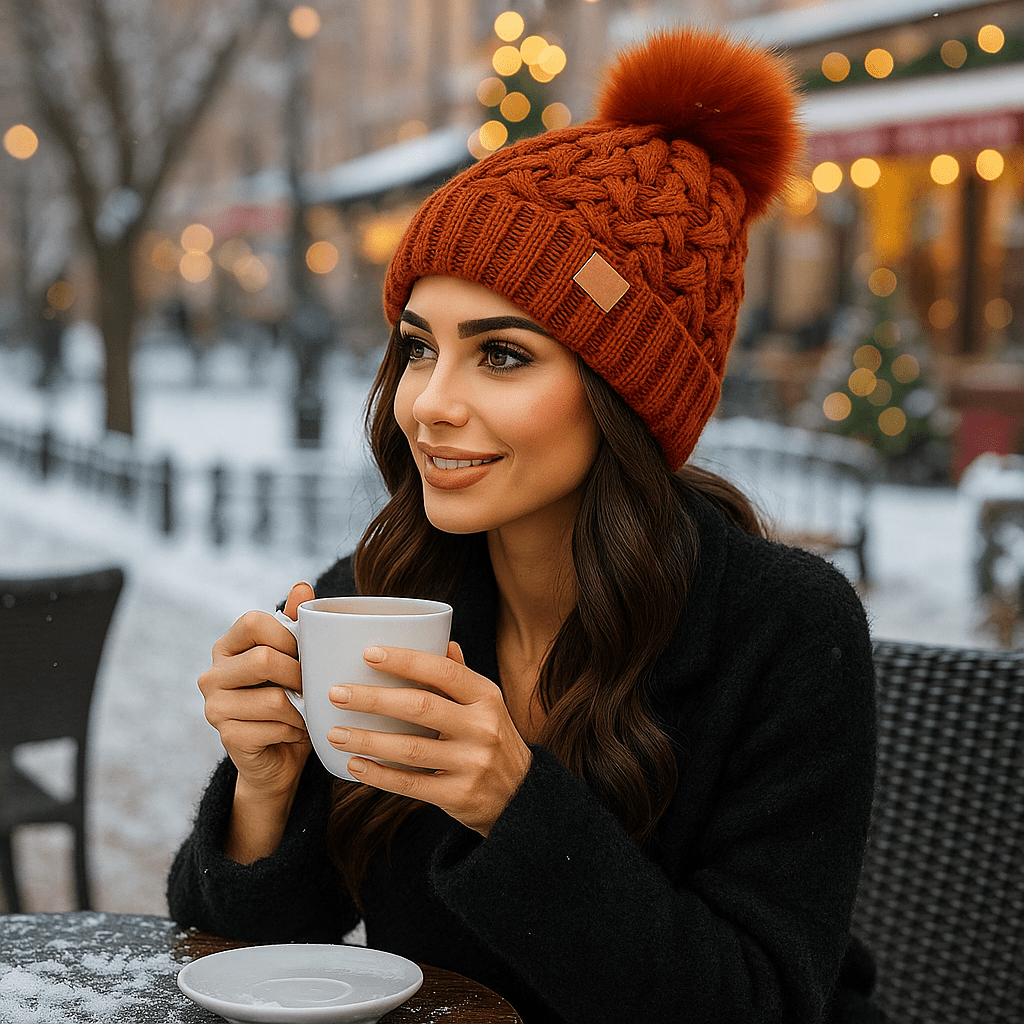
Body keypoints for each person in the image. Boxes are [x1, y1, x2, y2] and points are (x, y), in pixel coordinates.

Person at [168, 26, 887, 1024]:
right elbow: (255, 959)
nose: (428, 403)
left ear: (625, 394)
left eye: (501, 355)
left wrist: (513, 806)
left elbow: (755, 1002)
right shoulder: (380, 594)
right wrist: (265, 788)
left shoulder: (782, 630)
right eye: (419, 348)